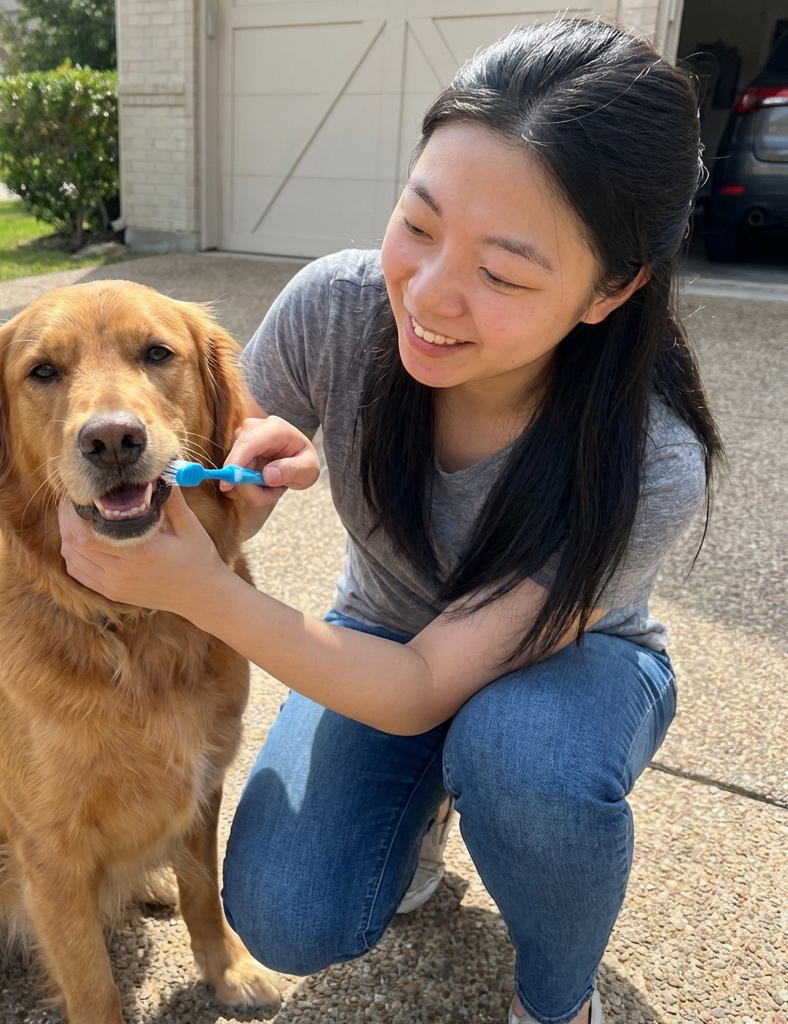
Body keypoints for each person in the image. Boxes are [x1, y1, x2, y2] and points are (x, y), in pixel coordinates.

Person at [58, 19, 722, 1024]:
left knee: (520, 756)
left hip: (568, 672)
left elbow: (415, 688)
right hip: (383, 633)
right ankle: (417, 822)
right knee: (283, 914)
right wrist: (239, 483)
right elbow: (223, 480)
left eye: (502, 274)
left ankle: (558, 997)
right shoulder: (335, 304)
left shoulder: (649, 461)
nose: (429, 294)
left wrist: (199, 590)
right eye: (418, 222)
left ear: (612, 289)